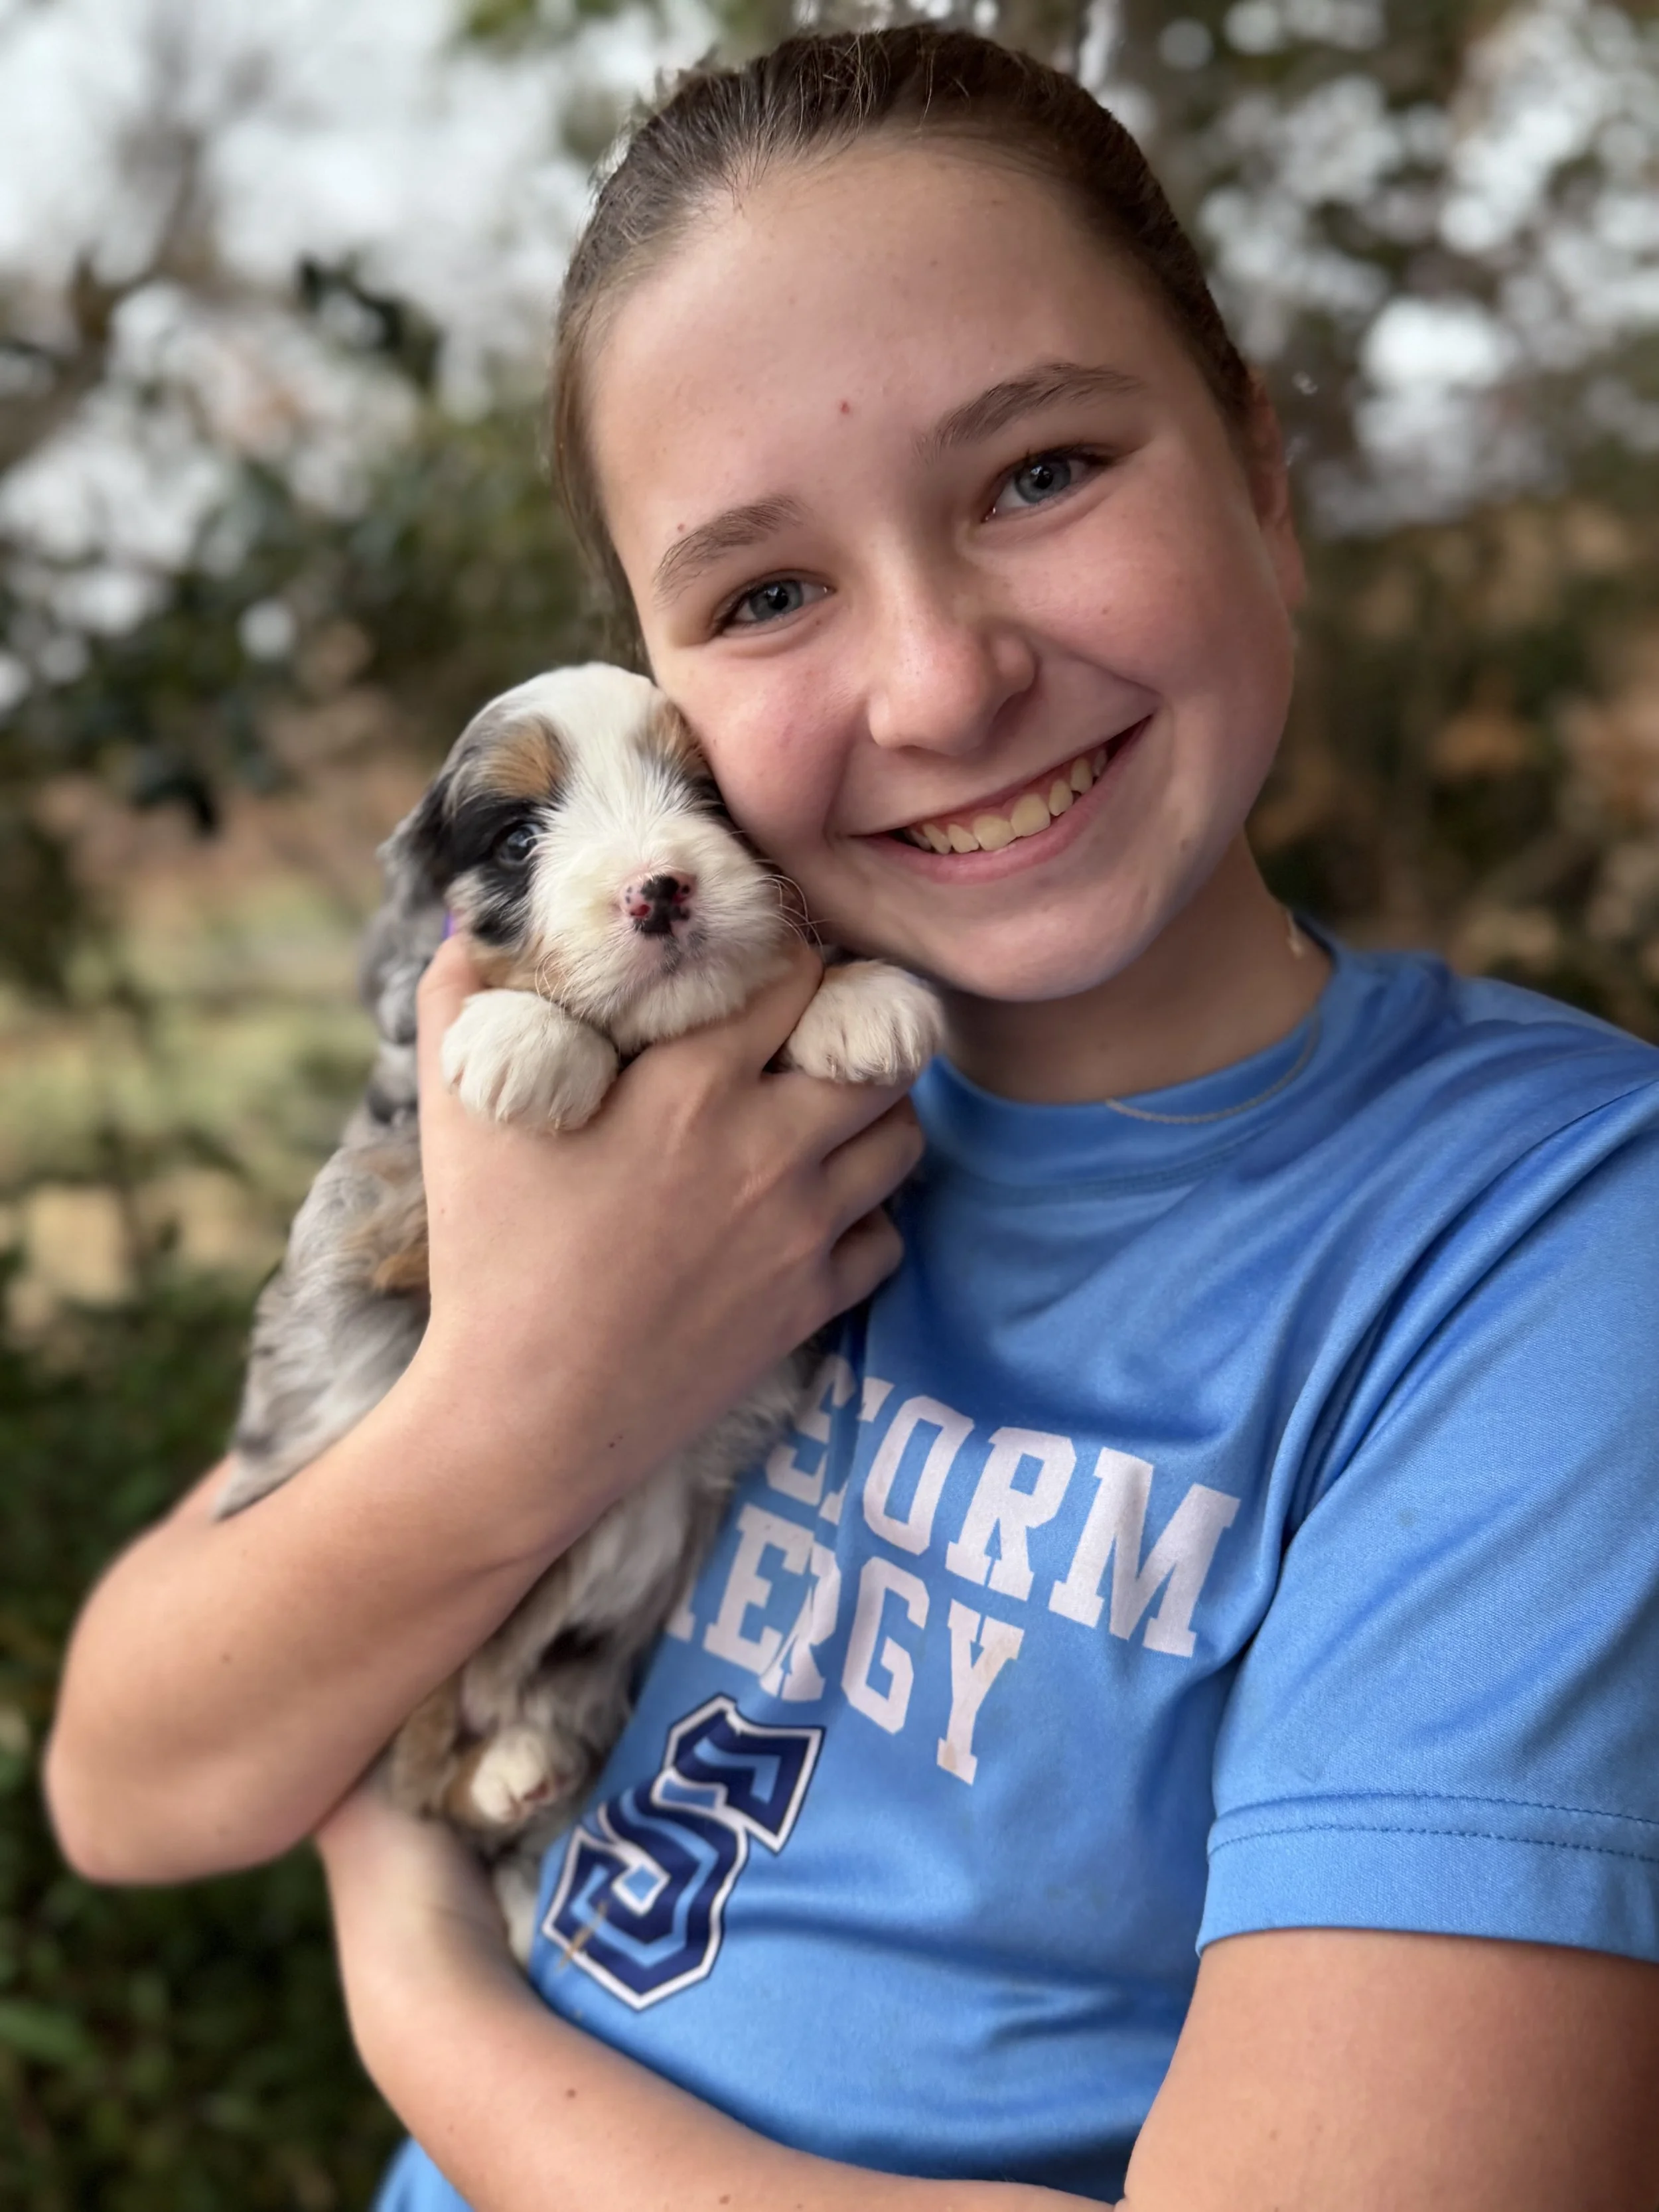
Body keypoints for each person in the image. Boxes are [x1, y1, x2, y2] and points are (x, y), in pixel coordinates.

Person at [43, 26, 1659, 2211]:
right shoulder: (627, 1120)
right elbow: (131, 1774)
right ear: (655, 694)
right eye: (767, 594)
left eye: (1040, 473)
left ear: (1260, 475)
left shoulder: (1551, 1254)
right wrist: (521, 1403)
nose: (937, 681)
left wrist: (426, 2000)